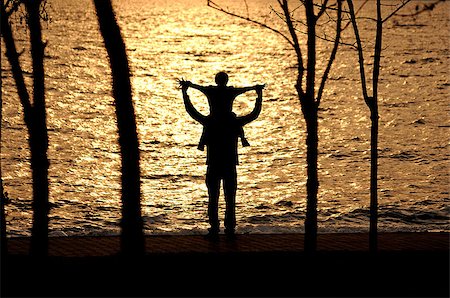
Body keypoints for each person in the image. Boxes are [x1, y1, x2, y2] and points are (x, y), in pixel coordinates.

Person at [179, 75, 264, 239]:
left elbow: (191, 110)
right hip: (230, 164)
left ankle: (215, 229)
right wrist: (258, 94)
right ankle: (229, 230)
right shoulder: (234, 123)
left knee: (214, 197)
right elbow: (254, 113)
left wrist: (185, 92)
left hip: (214, 164)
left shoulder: (210, 122)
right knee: (229, 197)